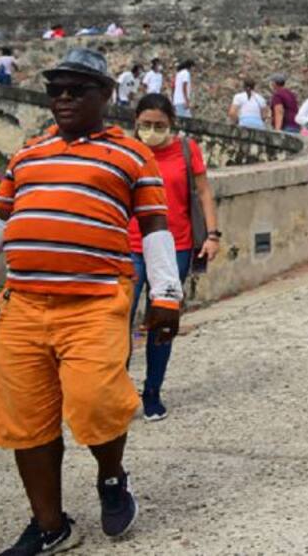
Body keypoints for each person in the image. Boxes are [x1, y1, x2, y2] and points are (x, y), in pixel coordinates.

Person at [0, 48, 182, 553]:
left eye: (78, 89)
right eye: (57, 89)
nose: (65, 98)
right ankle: (51, 526)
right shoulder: (28, 153)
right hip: (24, 303)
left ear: (106, 95)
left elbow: (154, 224)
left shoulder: (130, 153)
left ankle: (112, 476)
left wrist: (165, 292)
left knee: (96, 402)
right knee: (24, 418)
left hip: (95, 299)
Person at [127, 94, 220, 420]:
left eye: (159, 125)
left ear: (172, 125)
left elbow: (203, 191)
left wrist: (212, 234)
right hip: (131, 244)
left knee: (162, 321)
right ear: (135, 123)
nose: (151, 131)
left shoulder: (185, 149)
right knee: (116, 321)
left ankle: (153, 391)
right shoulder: (128, 151)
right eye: (145, 125)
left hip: (174, 245)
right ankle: (116, 393)